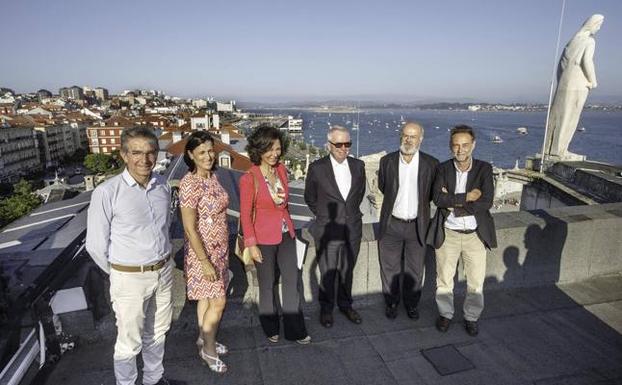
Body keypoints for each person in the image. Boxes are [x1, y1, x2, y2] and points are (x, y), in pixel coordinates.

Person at [86, 127, 177, 385]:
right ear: (124, 155)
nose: (145, 159)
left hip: (163, 271)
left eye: (150, 153)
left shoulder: (162, 186)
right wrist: (122, 272)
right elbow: (95, 245)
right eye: (136, 152)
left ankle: (153, 379)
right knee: (129, 342)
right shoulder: (106, 192)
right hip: (129, 278)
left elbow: (164, 228)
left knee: (158, 332)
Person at [239, 124, 310, 344]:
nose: (274, 154)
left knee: (291, 281)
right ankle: (270, 327)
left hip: (286, 234)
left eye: (278, 148)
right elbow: (244, 213)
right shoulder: (249, 178)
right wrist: (251, 244)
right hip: (262, 239)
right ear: (258, 150)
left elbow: (284, 204)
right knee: (267, 284)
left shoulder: (280, 170)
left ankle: (295, 329)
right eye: (269, 149)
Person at [429, 125, 497, 337]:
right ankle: (446, 314)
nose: (460, 149)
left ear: (473, 145)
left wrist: (454, 204)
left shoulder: (484, 169)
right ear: (451, 147)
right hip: (448, 234)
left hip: (475, 237)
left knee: (476, 282)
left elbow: (486, 202)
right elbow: (438, 199)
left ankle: (471, 318)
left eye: (465, 145)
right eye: (456, 145)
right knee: (444, 280)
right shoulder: (442, 169)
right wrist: (468, 197)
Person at [304, 126, 366, 328]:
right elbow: (310, 198)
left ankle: (346, 305)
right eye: (338, 144)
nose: (343, 148)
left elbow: (358, 195)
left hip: (353, 228)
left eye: (347, 144)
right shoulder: (317, 168)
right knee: (328, 271)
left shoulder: (358, 166)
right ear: (329, 145)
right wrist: (324, 216)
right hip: (328, 229)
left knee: (348, 270)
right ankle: (326, 309)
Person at [178, 131, 229, 373]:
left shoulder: (213, 176)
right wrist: (204, 261)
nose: (208, 156)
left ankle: (202, 337)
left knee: (207, 299)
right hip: (203, 254)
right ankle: (208, 351)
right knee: (219, 302)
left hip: (220, 250)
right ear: (191, 155)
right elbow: (188, 227)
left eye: (210, 150)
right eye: (201, 153)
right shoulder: (189, 184)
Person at [377, 122, 438, 320]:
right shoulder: (387, 161)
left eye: (412, 136)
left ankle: (412, 305)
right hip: (391, 224)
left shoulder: (432, 164)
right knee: (389, 268)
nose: (408, 140)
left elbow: (430, 195)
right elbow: (384, 187)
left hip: (417, 226)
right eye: (404, 135)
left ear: (421, 139)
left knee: (415, 269)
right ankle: (391, 303)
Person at [544, 14, 604, 159]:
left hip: (565, 80)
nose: (600, 27)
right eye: (599, 24)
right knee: (571, 116)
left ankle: (549, 148)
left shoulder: (573, 41)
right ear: (593, 24)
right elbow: (587, 61)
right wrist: (593, 81)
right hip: (579, 83)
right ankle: (560, 150)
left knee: (559, 114)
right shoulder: (589, 41)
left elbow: (561, 64)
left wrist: (562, 79)